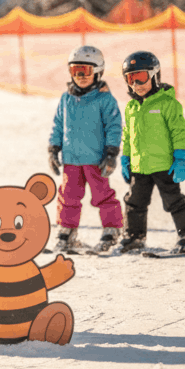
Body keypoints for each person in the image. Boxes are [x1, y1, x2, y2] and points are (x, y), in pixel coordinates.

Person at [119, 51, 185, 254]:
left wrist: (180, 158)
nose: (137, 84)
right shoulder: (131, 107)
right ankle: (134, 237)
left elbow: (179, 132)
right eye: (131, 78)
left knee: (174, 201)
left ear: (154, 76)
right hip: (139, 166)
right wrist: (125, 158)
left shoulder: (168, 104)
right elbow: (127, 135)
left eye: (141, 77)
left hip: (164, 164)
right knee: (134, 202)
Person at [47, 45, 124, 253]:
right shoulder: (66, 98)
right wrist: (53, 149)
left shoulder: (105, 99)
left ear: (98, 72)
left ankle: (112, 230)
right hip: (71, 159)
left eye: (86, 71)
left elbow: (114, 127)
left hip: (95, 159)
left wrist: (111, 153)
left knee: (103, 196)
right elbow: (58, 124)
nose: (80, 76)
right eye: (75, 71)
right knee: (68, 196)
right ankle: (67, 233)